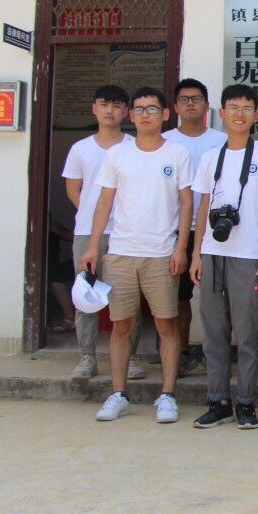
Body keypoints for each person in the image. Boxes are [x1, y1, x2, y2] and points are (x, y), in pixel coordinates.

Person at [82, 87, 192, 424]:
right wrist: (93, 245)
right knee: (121, 325)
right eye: (140, 109)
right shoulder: (117, 154)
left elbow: (186, 202)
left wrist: (181, 247)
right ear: (131, 115)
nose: (145, 115)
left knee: (166, 324)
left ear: (165, 114)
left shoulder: (177, 153)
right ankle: (118, 394)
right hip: (121, 252)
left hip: (161, 253)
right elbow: (104, 202)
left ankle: (168, 395)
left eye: (152, 109)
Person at [188, 85, 258, 430]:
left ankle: (246, 402)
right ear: (221, 113)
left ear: (256, 115)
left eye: (246, 108)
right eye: (233, 107)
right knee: (214, 334)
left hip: (248, 254)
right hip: (212, 253)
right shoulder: (210, 157)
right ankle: (218, 401)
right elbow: (203, 208)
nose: (240, 114)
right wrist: (196, 254)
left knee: (246, 335)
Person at [61, 84, 143, 381]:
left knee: (128, 298)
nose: (110, 110)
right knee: (86, 295)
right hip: (88, 233)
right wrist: (96, 217)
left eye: (117, 105)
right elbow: (74, 191)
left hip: (126, 233)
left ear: (127, 112)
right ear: (94, 108)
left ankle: (130, 357)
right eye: (104, 104)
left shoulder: (135, 146)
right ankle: (87, 357)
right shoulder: (80, 149)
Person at [163, 78, 227, 377]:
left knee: (220, 294)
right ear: (175, 107)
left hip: (216, 229)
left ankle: (219, 357)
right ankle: (181, 352)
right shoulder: (165, 141)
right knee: (178, 296)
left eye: (197, 98)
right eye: (184, 99)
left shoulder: (221, 140)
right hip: (175, 229)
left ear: (207, 106)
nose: (190, 103)